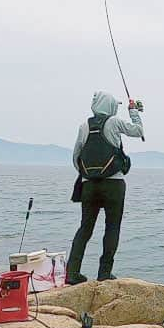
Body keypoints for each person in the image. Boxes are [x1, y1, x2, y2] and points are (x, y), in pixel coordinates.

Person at [66, 91, 144, 284]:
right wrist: (133, 111)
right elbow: (138, 131)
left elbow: (76, 157)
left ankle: (72, 273)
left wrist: (89, 175)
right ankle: (104, 273)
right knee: (112, 227)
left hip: (89, 186)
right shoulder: (115, 122)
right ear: (110, 106)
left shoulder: (84, 126)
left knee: (85, 228)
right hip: (114, 184)